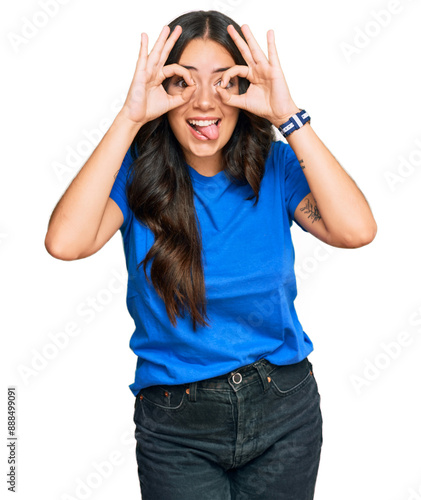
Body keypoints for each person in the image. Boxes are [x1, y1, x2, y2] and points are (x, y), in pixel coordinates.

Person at [45, 9, 377, 500]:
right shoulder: (135, 175)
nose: (204, 101)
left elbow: (357, 230)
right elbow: (65, 243)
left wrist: (288, 116)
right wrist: (129, 116)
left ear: (246, 91)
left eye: (224, 82)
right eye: (184, 83)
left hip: (284, 408)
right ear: (163, 91)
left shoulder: (278, 167)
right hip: (176, 425)